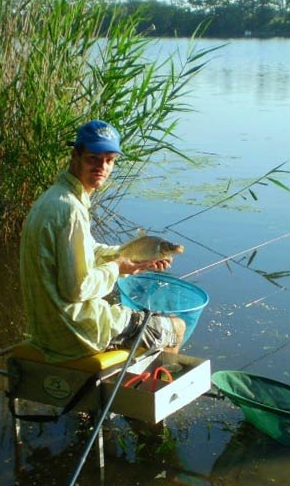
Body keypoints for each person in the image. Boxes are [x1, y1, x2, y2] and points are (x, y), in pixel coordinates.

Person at [19, 119, 185, 362]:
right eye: (93, 158)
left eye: (109, 160)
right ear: (76, 155)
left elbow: (84, 251)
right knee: (175, 327)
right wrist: (116, 269)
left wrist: (129, 258)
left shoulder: (53, 198)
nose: (102, 167)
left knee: (139, 319)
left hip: (48, 330)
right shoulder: (70, 210)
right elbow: (76, 289)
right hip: (75, 332)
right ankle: (151, 389)